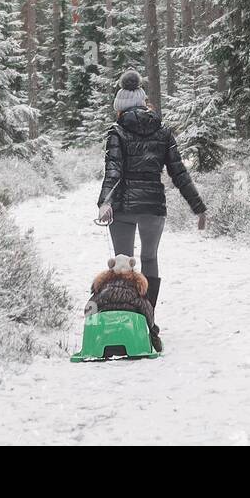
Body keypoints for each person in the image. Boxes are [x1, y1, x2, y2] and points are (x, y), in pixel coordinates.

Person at [96, 70, 206, 346]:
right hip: (153, 206)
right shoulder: (163, 130)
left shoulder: (117, 132)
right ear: (144, 102)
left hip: (122, 206)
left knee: (122, 264)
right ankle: (149, 323)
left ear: (120, 106)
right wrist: (198, 206)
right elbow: (179, 172)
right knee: (149, 260)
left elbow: (113, 171)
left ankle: (122, 324)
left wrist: (104, 202)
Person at [84, 253, 160, 351]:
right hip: (132, 334)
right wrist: (153, 333)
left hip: (105, 335)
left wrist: (91, 331)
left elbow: (89, 309)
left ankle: (96, 347)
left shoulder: (103, 289)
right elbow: (147, 311)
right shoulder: (136, 290)